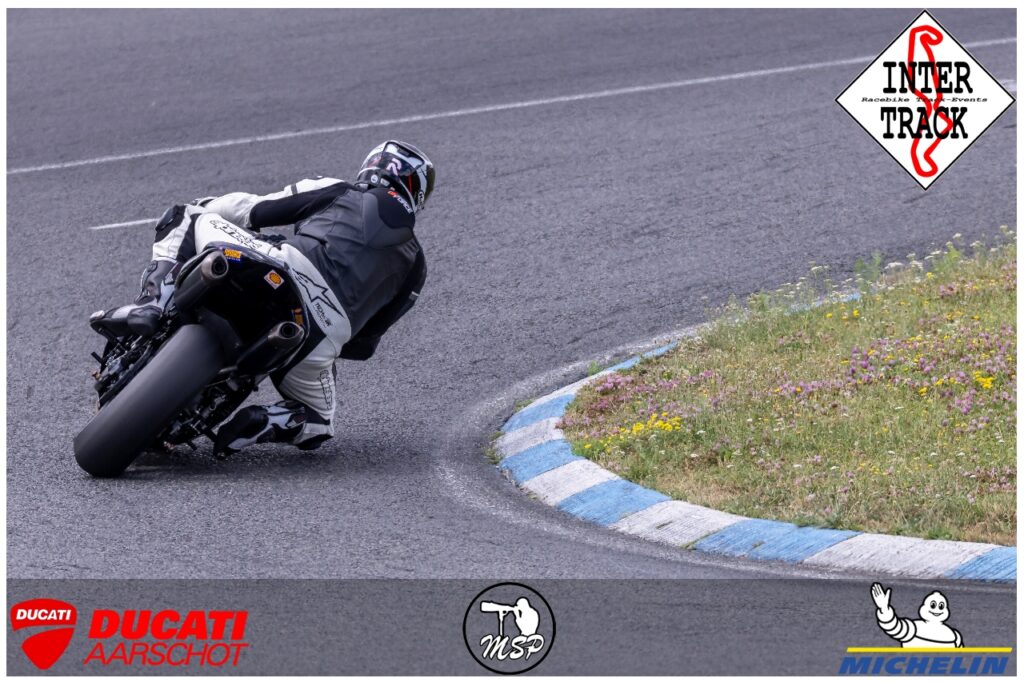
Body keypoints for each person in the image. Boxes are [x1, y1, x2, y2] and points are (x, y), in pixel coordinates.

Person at [92, 140, 434, 455]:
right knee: (319, 423)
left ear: (371, 166)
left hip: (280, 269)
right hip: (320, 334)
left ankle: (151, 303)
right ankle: (266, 421)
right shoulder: (416, 266)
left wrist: (213, 208)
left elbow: (255, 210)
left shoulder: (339, 189)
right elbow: (365, 345)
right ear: (417, 192)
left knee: (187, 214)